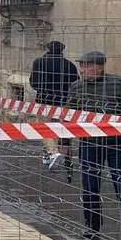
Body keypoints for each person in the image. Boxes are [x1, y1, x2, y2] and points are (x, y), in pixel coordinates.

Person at [66, 51, 121, 240]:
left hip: (116, 144)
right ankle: (92, 227)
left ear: (99, 67)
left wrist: (120, 123)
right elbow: (68, 116)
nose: (82, 70)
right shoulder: (76, 86)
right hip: (89, 144)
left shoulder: (119, 83)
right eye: (81, 66)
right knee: (90, 187)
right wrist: (63, 142)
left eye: (86, 66)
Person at [30, 40, 79, 180]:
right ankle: (60, 153)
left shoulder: (39, 62)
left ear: (48, 48)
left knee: (45, 128)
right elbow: (75, 83)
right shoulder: (69, 65)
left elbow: (33, 83)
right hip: (63, 101)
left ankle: (52, 152)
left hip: (45, 100)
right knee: (62, 130)